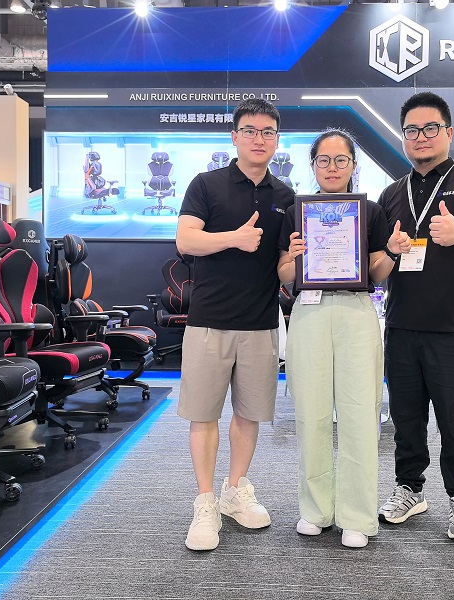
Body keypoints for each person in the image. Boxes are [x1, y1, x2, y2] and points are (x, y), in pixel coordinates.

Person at [277, 128, 411, 548]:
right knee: (311, 412)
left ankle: (357, 515)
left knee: (359, 413)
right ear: (313, 165)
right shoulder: (295, 211)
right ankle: (315, 509)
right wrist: (294, 257)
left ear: (353, 165)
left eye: (341, 160)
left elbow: (375, 273)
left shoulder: (369, 212)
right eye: (324, 160)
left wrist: (392, 251)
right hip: (309, 312)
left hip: (356, 312)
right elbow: (283, 274)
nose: (332, 168)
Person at [376, 92, 454, 543]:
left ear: (448, 132)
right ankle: (409, 489)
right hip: (401, 326)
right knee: (406, 420)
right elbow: (378, 262)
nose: (421, 137)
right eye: (412, 130)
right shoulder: (392, 193)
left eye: (430, 128)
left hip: (452, 328)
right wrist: (390, 251)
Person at [175, 98, 295, 551]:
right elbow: (186, 240)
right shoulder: (206, 184)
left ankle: (234, 489)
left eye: (267, 132)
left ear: (277, 139)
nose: (258, 139)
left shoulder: (286, 195)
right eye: (250, 130)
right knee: (204, 414)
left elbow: (283, 265)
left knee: (249, 414)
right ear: (234, 136)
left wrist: (301, 262)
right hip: (209, 321)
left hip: (262, 323)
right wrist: (235, 239)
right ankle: (205, 502)